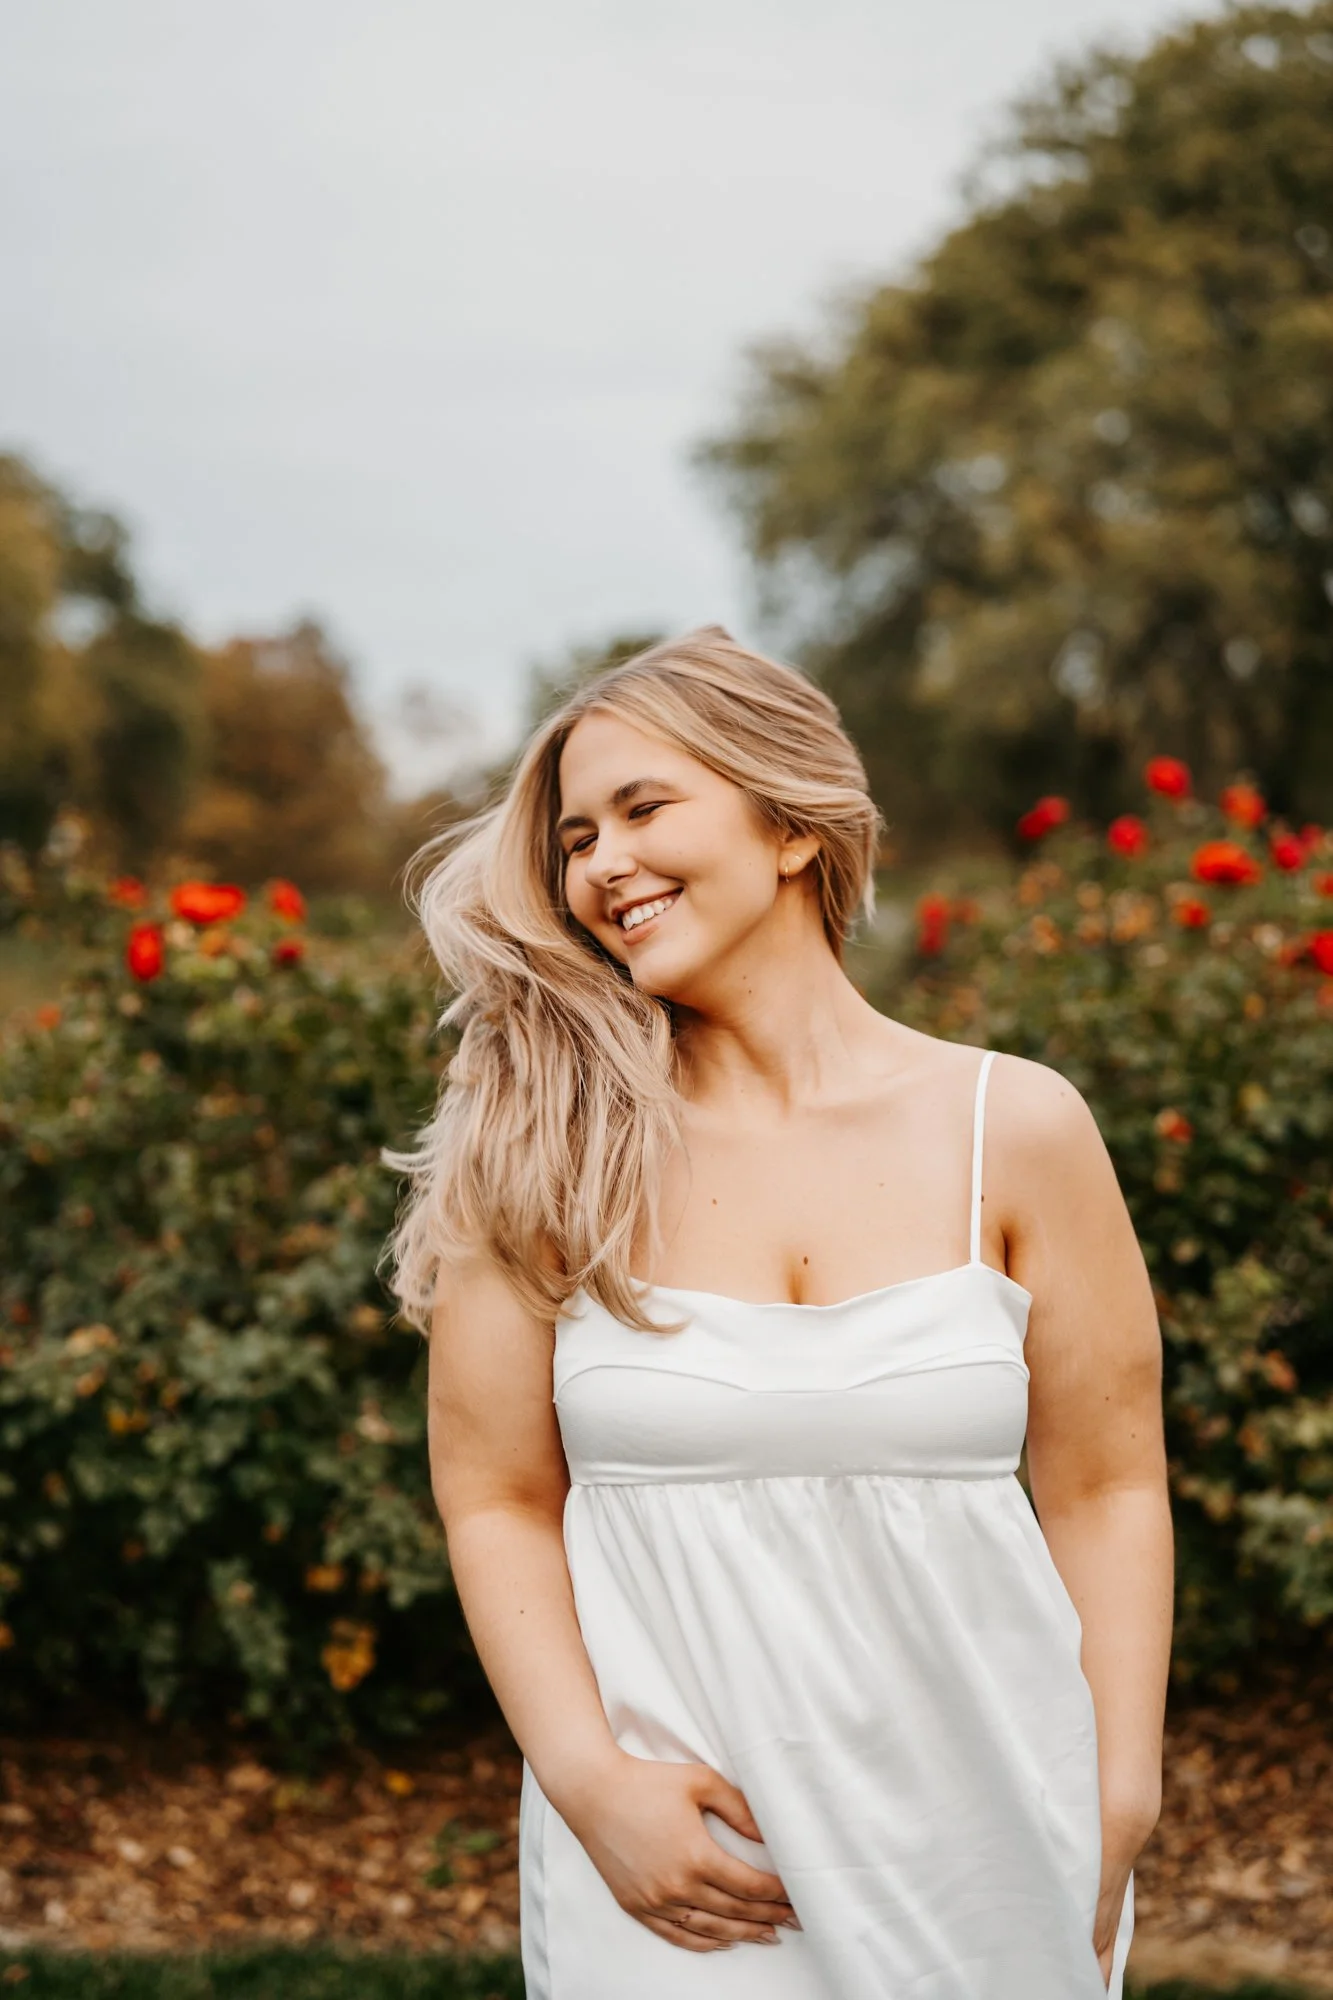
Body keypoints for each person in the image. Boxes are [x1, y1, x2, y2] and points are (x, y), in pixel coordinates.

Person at [380, 627, 1173, 1998]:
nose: (601, 864)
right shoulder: (538, 1149)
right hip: (685, 1870)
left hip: (989, 1836)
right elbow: (494, 1491)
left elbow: (1107, 1487)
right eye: (575, 837)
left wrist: (1119, 1791)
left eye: (643, 809)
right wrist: (590, 1783)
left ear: (792, 825)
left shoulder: (1017, 1127)